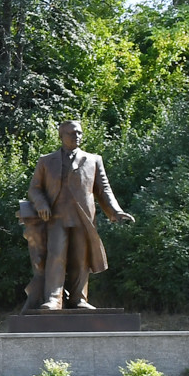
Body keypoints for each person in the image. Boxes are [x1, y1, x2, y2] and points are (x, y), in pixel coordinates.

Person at [25, 119, 135, 310]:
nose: (77, 136)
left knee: (81, 258)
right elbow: (34, 189)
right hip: (55, 217)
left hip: (83, 217)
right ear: (61, 136)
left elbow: (104, 189)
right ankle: (54, 299)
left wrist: (116, 211)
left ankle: (78, 299)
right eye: (72, 133)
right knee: (56, 255)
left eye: (79, 133)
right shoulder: (46, 160)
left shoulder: (93, 160)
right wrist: (42, 204)